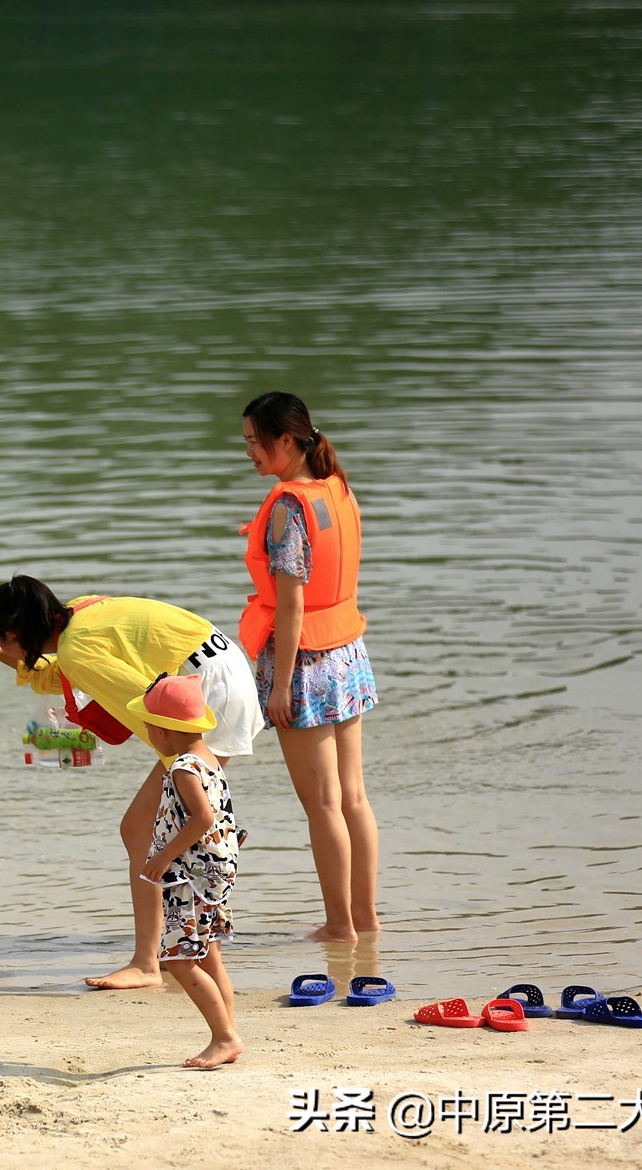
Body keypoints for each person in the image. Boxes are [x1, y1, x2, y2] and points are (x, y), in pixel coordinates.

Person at [0, 576, 263, 990]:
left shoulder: (74, 651)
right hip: (220, 665)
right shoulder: (82, 611)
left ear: (15, 633)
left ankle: (152, 962)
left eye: (3, 639)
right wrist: (1, 654)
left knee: (147, 826)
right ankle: (162, 954)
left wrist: (180, 770)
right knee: (146, 826)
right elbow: (74, 672)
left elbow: (149, 705)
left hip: (207, 691)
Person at [240, 391, 380, 942]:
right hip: (347, 652)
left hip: (305, 663)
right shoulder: (334, 486)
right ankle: (365, 920)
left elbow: (291, 601)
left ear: (286, 441)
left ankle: (339, 926)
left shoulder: (287, 505)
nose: (248, 451)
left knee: (323, 805)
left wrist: (277, 685)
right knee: (353, 798)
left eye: (254, 441)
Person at [130, 673, 242, 1069]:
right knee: (209, 954)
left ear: (161, 731)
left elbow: (201, 818)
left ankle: (225, 1038)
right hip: (216, 870)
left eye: (147, 725)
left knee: (178, 959)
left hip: (190, 873)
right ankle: (227, 1031)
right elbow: (221, 815)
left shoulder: (182, 767)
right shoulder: (209, 758)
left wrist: (162, 858)